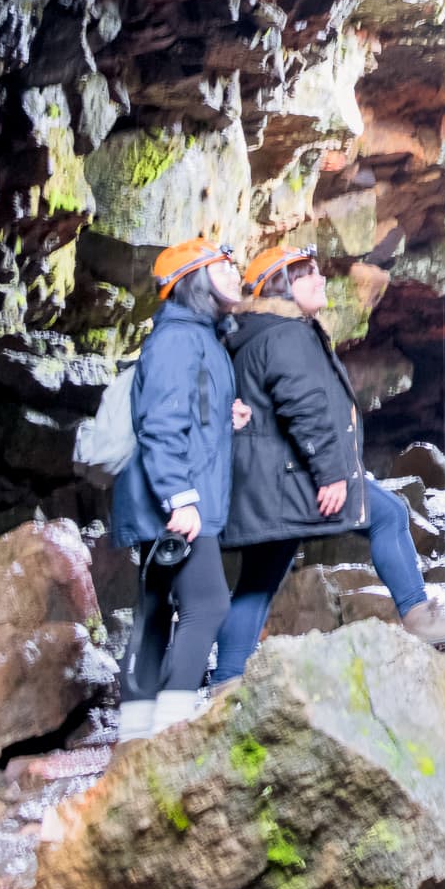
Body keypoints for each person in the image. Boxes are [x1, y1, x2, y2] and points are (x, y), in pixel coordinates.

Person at [211, 244, 445, 685]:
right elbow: (305, 408)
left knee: (260, 576)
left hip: (266, 485)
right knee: (390, 514)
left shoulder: (257, 332)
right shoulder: (285, 334)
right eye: (307, 274)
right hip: (296, 477)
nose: (321, 279)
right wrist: (332, 473)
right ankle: (419, 616)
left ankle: (226, 679)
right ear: (280, 287)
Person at [111, 237, 243, 740]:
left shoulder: (201, 336)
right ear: (194, 281)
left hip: (170, 497)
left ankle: (136, 733)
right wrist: (180, 498)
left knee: (156, 612)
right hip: (174, 502)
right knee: (208, 605)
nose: (234, 274)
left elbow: (189, 413)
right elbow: (161, 424)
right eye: (222, 267)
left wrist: (227, 417)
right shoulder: (178, 339)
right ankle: (170, 732)